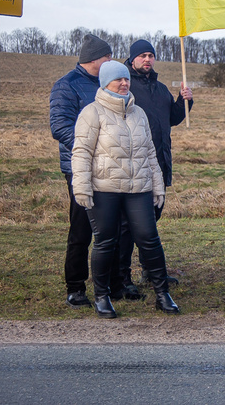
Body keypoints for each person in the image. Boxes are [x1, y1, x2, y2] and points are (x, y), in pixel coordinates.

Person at [71, 61, 180, 318]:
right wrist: (82, 187)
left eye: (125, 80)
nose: (124, 83)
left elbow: (150, 153)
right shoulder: (92, 113)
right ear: (105, 83)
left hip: (138, 188)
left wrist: (157, 185)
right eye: (117, 80)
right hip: (104, 189)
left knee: (149, 239)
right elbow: (81, 152)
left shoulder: (138, 113)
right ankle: (102, 296)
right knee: (105, 241)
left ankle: (162, 293)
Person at [119, 40, 193, 295]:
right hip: (134, 166)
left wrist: (184, 102)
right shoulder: (125, 87)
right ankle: (122, 276)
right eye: (142, 55)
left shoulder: (161, 90)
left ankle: (150, 270)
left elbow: (172, 119)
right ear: (132, 59)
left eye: (151, 55)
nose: (147, 59)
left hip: (160, 163)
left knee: (152, 219)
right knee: (128, 225)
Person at [49, 33, 112, 308]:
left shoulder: (106, 85)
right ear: (95, 59)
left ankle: (109, 282)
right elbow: (60, 127)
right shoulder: (67, 85)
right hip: (79, 168)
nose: (111, 61)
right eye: (108, 57)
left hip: (109, 166)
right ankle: (75, 287)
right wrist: (93, 147)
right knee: (81, 227)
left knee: (109, 226)